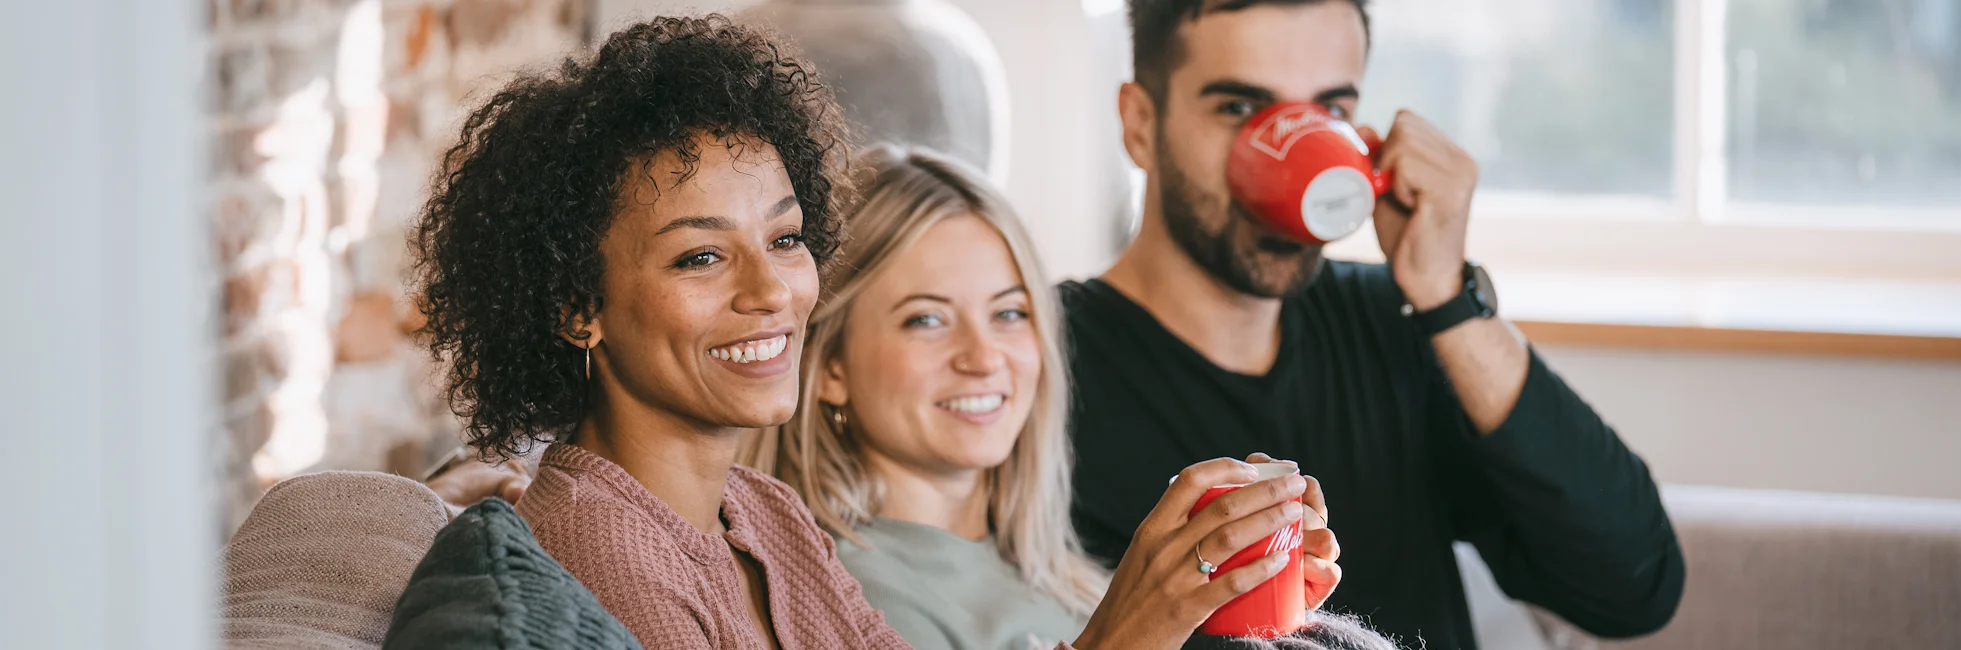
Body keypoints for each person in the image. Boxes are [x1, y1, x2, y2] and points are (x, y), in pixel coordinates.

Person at [412, 15, 1338, 650]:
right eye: (700, 258)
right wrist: (1125, 630)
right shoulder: (603, 554)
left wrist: (1195, 601)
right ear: (577, 305)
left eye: (785, 239)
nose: (771, 289)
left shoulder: (759, 515)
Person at [1063, 1, 1687, 648]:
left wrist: (1447, 296)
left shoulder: (1395, 321)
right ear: (1140, 124)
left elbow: (1634, 589)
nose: (1293, 154)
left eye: (1327, 113)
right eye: (1240, 109)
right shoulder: (1026, 361)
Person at [740, 144, 1357, 650]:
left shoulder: (1065, 578)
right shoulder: (839, 602)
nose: (983, 358)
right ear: (829, 367)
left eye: (1009, 313)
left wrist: (1242, 615)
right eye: (926, 320)